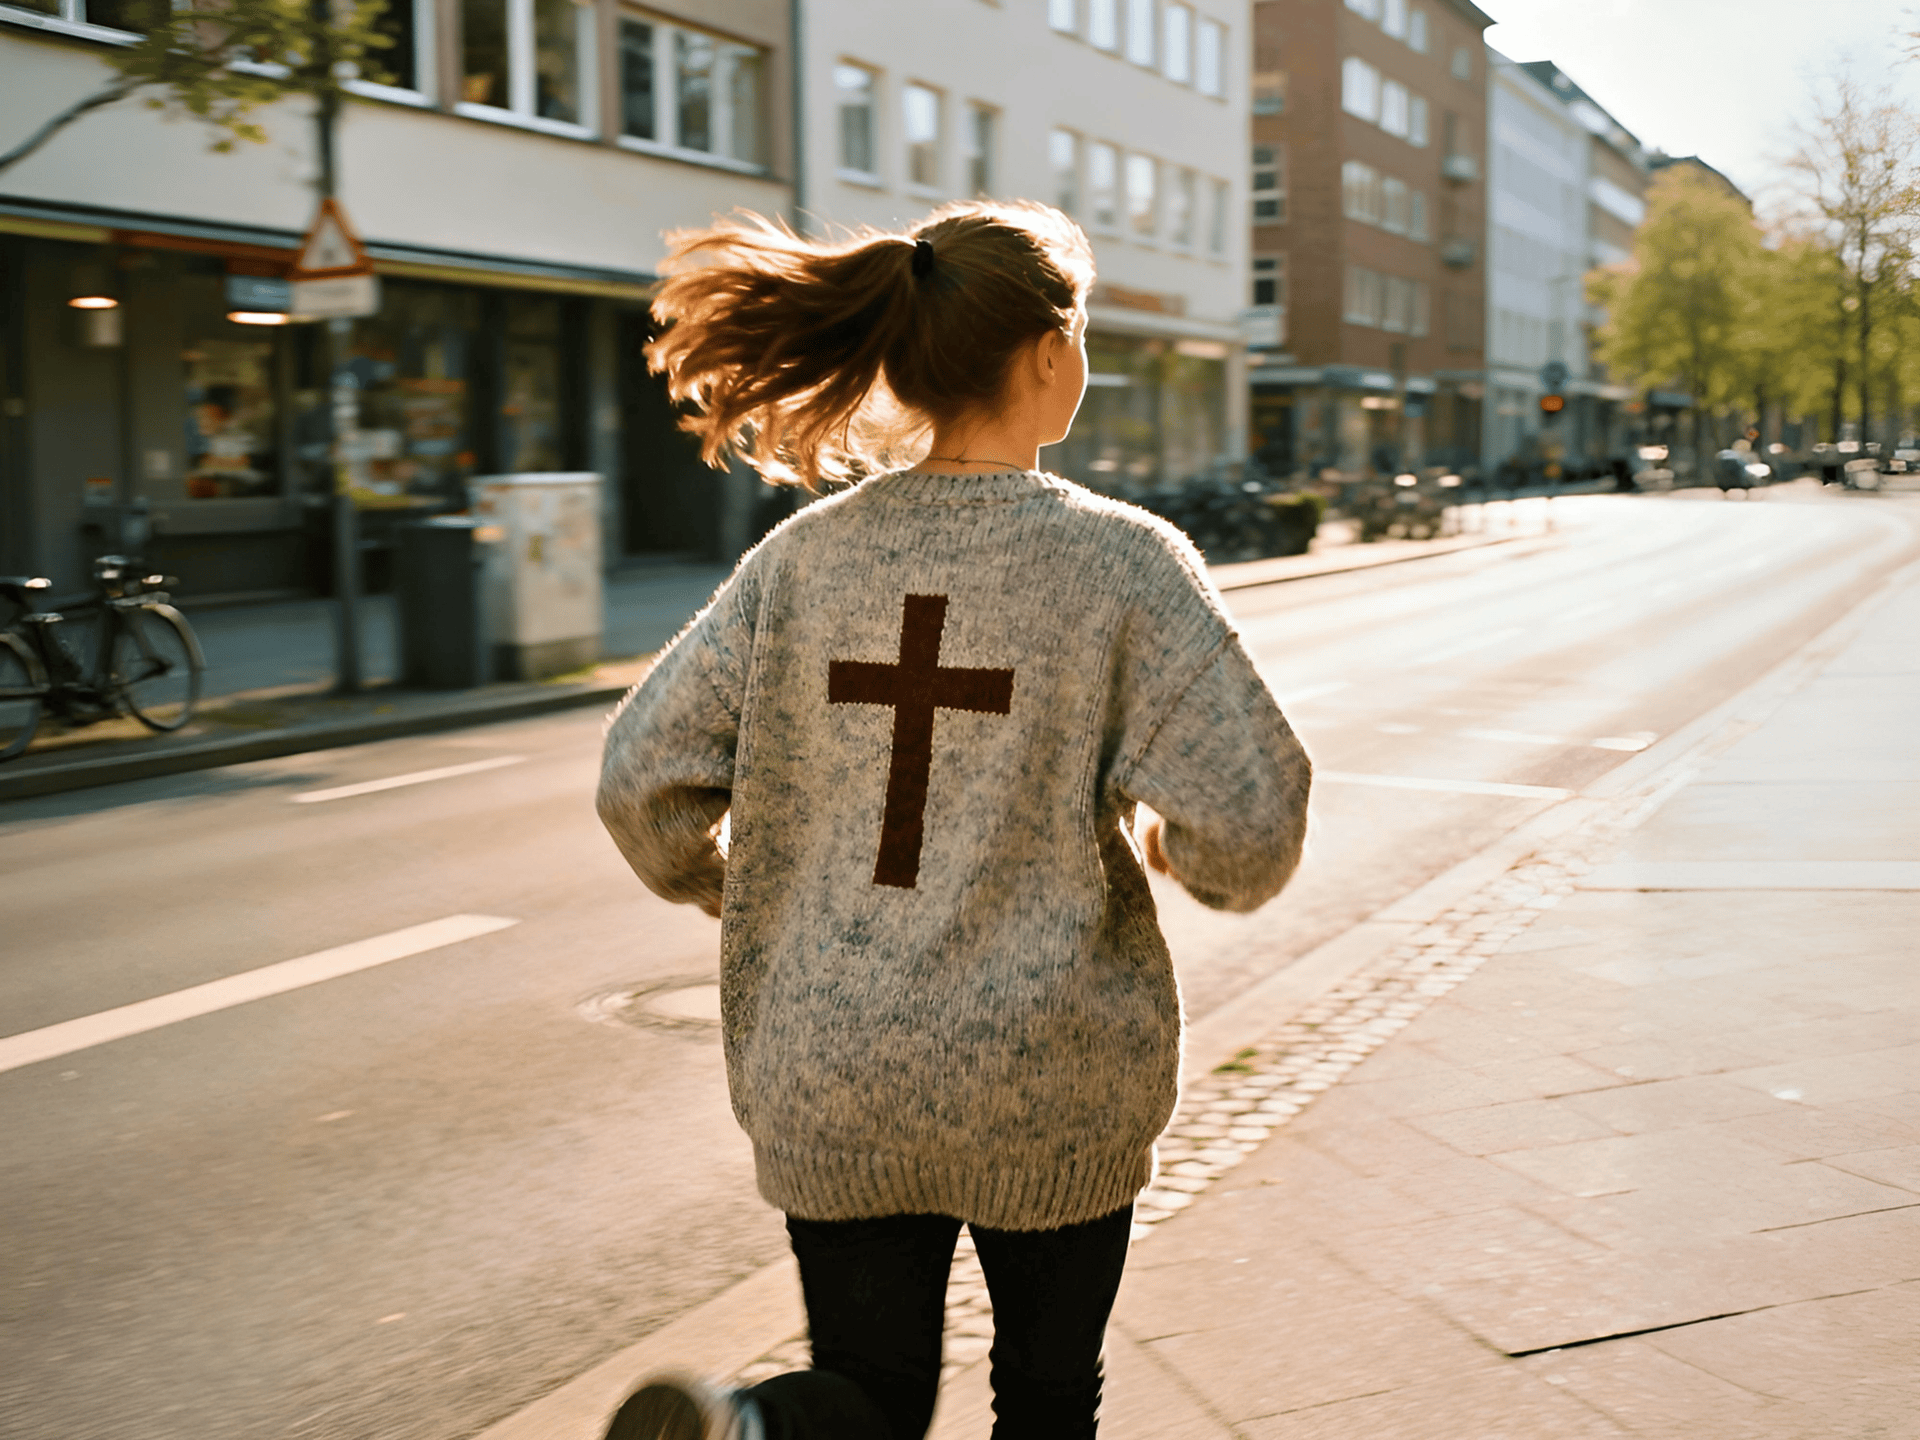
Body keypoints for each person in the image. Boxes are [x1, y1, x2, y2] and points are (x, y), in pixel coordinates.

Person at [595, 200, 1312, 1440]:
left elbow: (640, 779)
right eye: (1081, 334)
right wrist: (1167, 848)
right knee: (1045, 1395)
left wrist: (735, 878)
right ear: (1047, 350)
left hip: (834, 1061)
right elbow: (1252, 824)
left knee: (867, 1396)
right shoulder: (1122, 565)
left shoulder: (801, 561)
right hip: (1051, 1069)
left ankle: (756, 1430)